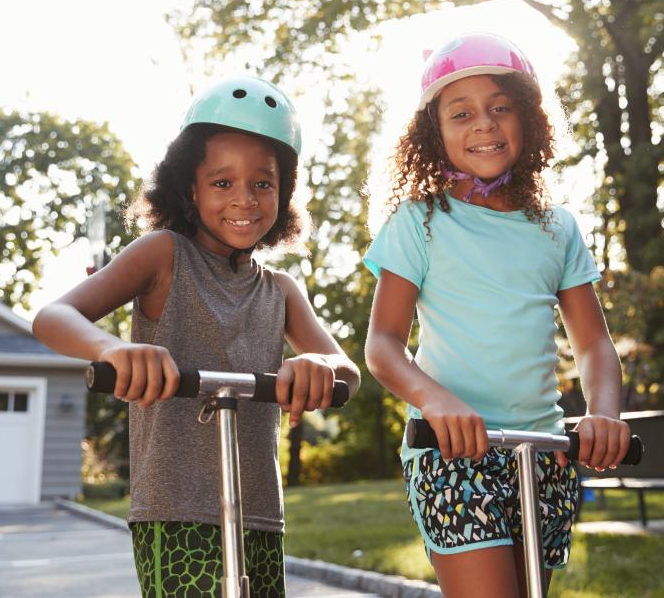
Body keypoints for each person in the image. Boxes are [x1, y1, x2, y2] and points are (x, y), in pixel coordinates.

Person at [32, 76, 360, 597]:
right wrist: (112, 349)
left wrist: (320, 366)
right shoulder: (164, 255)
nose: (245, 199)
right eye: (222, 183)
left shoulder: (280, 290)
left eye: (263, 183)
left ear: (284, 192)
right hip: (176, 510)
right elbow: (53, 316)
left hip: (258, 514)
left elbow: (346, 369)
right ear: (190, 188)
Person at [362, 33, 630, 597]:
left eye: (499, 108)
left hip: (546, 454)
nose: (483, 124)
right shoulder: (419, 222)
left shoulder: (556, 228)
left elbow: (593, 345)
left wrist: (603, 413)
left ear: (528, 120)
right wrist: (437, 403)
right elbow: (383, 345)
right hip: (452, 450)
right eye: (461, 113)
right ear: (434, 133)